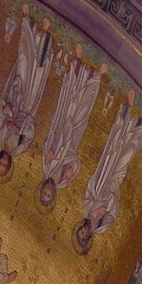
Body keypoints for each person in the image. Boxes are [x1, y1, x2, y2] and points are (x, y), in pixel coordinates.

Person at [76, 99, 142, 251]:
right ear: (88, 237)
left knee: (114, 145)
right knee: (127, 155)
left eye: (80, 232)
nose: (84, 231)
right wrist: (107, 205)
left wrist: (98, 191)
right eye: (84, 235)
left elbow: (90, 189)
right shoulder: (103, 227)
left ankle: (127, 110)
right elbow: (114, 212)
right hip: (114, 184)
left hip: (103, 176)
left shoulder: (87, 210)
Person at [0, 17, 50, 175]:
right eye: (5, 165)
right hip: (28, 108)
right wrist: (20, 129)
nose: (4, 162)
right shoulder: (19, 148)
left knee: (24, 67)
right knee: (36, 76)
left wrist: (5, 111)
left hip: (16, 99)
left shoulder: (0, 137)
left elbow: (0, 114)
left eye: (1, 163)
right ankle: (44, 36)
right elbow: (31, 133)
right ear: (8, 164)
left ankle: (29, 27)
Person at [38, 54, 97, 206]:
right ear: (53, 195)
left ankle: (77, 68)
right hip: (72, 141)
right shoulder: (64, 181)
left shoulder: (46, 167)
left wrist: (50, 150)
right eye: (48, 195)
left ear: (42, 188)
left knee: (68, 104)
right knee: (82, 113)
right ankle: (93, 79)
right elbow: (76, 161)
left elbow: (47, 144)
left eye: (44, 192)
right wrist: (70, 167)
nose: (47, 191)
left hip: (60, 130)